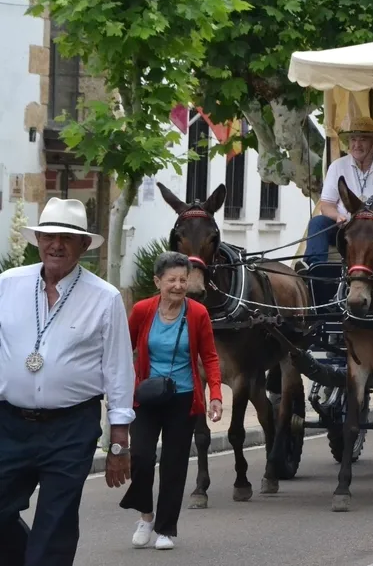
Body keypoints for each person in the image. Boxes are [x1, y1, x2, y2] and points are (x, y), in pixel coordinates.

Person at [0, 197, 136, 566]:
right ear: (37, 240)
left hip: (71, 427)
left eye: (67, 238)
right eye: (48, 236)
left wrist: (119, 441)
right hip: (9, 423)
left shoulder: (104, 298)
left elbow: (118, 369)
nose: (56, 245)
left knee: (55, 523)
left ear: (84, 245)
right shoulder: (8, 284)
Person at [121, 252, 224, 550]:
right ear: (158, 282)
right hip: (147, 397)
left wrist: (215, 395)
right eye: (171, 280)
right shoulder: (142, 310)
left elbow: (210, 357)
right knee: (141, 457)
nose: (178, 286)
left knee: (174, 465)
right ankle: (146, 516)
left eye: (183, 280)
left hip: (183, 399)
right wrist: (120, 390)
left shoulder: (198, 313)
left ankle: (165, 529)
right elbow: (122, 350)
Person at [301, 116, 373, 268]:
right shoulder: (337, 166)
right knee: (317, 223)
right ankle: (314, 269)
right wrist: (337, 216)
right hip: (346, 228)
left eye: (363, 139)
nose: (357, 145)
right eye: (353, 139)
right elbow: (326, 205)